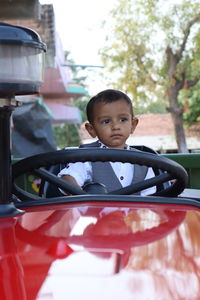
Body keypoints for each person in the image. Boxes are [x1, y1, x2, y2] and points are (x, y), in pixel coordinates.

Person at [58, 89, 156, 195]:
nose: (115, 126)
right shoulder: (86, 157)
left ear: (133, 125)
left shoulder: (144, 162)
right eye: (106, 121)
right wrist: (83, 198)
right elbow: (67, 178)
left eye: (123, 120)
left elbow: (150, 198)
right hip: (95, 211)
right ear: (92, 129)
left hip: (136, 211)